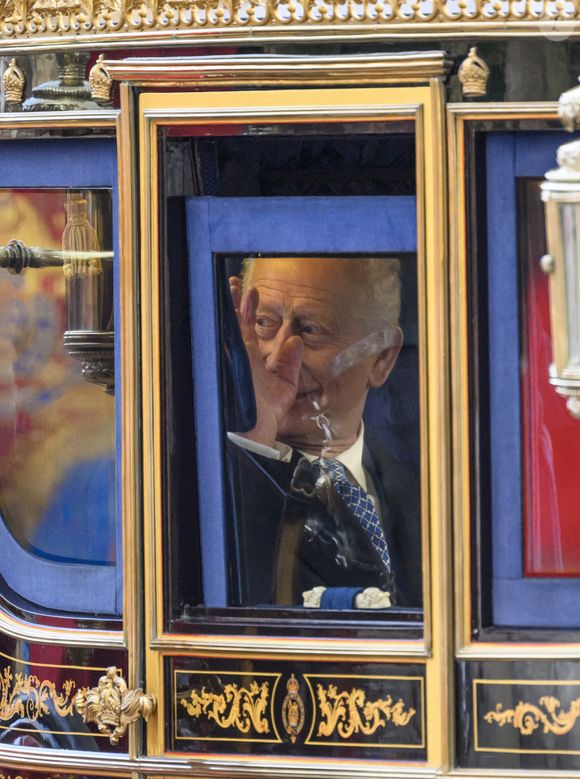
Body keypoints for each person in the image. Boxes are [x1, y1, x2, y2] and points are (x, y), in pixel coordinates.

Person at [226, 256, 421, 609]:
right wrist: (258, 433)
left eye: (311, 330)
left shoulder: (432, 497)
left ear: (381, 359)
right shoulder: (209, 492)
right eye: (264, 323)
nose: (276, 357)